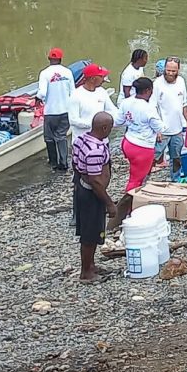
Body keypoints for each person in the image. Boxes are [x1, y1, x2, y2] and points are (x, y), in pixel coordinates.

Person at [71, 110, 117, 282]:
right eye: (110, 127)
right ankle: (86, 272)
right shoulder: (95, 149)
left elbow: (75, 164)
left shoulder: (81, 140)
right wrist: (109, 203)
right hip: (91, 194)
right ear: (104, 127)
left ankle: (90, 264)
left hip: (81, 189)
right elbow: (95, 181)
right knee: (90, 234)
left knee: (89, 231)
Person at [112, 77, 164, 221]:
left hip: (127, 142)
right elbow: (160, 127)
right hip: (142, 148)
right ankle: (127, 209)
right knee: (135, 179)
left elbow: (118, 122)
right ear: (148, 91)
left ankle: (134, 201)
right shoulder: (148, 108)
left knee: (137, 174)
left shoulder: (126, 102)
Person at [36, 48, 75, 171]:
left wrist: (37, 99)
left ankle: (53, 162)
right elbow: (73, 92)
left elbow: (42, 93)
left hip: (51, 112)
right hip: (65, 111)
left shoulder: (44, 73)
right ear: (60, 59)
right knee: (61, 136)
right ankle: (63, 163)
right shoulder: (68, 72)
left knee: (49, 137)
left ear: (49, 58)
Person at [152, 58, 187, 176]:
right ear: (164, 69)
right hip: (163, 130)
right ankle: (143, 180)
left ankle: (175, 179)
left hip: (177, 129)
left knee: (176, 157)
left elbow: (184, 104)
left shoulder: (181, 81)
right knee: (154, 156)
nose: (170, 73)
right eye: (168, 70)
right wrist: (157, 129)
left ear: (178, 70)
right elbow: (152, 108)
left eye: (173, 71)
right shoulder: (157, 84)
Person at [68, 64, 118, 140]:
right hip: (83, 142)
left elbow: (111, 110)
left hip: (102, 141)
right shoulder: (76, 95)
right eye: (101, 77)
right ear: (92, 79)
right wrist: (96, 125)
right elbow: (73, 120)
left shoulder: (102, 92)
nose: (103, 79)